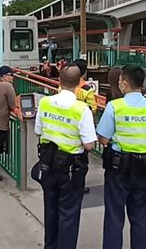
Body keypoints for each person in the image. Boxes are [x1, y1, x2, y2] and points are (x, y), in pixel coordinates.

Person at [97, 65, 146, 249]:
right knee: (140, 216)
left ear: (124, 83)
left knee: (114, 215)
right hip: (144, 170)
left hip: (118, 169)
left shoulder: (115, 107)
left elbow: (103, 138)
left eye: (120, 80)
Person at [32, 64, 97, 249]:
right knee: (69, 213)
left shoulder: (45, 102)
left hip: (47, 165)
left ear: (59, 81)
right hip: (71, 170)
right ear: (79, 83)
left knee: (50, 209)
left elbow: (38, 130)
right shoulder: (82, 109)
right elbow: (89, 145)